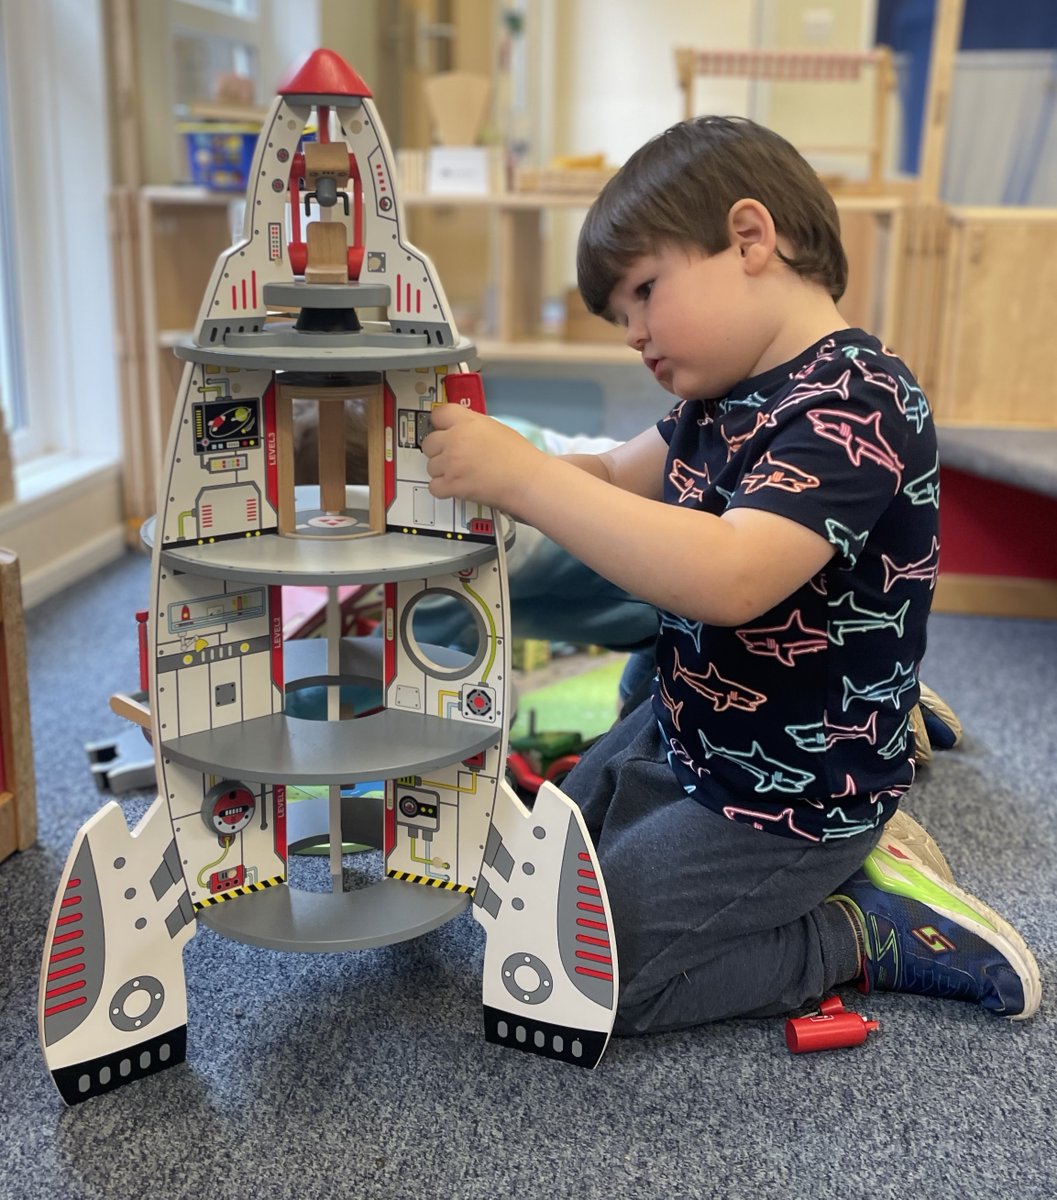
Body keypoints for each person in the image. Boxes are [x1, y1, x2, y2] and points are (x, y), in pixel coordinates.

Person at [422, 115, 1041, 1034]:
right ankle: (870, 757)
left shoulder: (857, 398)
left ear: (750, 238)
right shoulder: (713, 398)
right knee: (532, 879)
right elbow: (609, 475)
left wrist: (525, 480)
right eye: (622, 316)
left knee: (576, 982)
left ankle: (858, 930)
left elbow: (729, 577)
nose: (633, 333)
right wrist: (502, 473)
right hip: (690, 728)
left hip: (793, 793)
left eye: (643, 291)